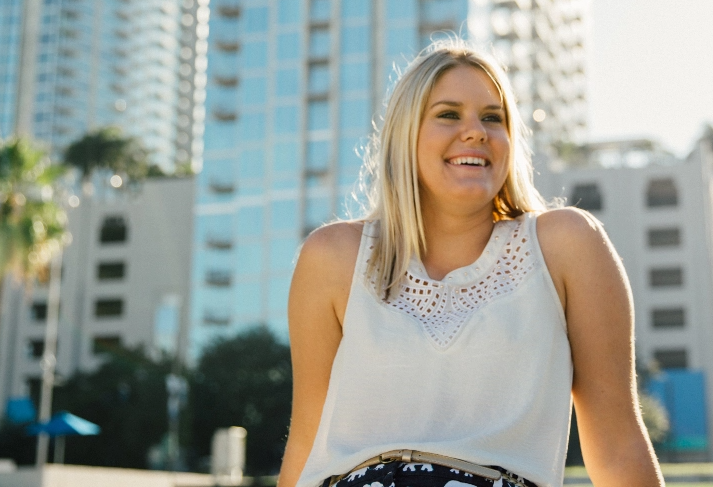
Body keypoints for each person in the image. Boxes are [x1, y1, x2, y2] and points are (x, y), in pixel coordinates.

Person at [279, 40, 664, 487]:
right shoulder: (332, 257)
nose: (476, 132)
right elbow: (306, 443)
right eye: (448, 114)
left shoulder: (568, 246)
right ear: (406, 135)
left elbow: (618, 447)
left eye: (492, 118)